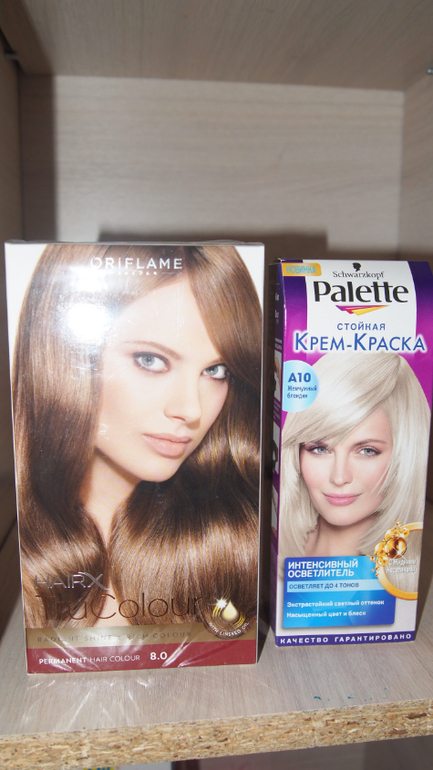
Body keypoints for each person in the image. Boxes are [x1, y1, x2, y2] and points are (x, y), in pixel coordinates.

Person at [13, 243, 262, 633]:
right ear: (65, 354)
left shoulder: (234, 540)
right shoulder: (21, 551)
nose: (191, 410)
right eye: (151, 360)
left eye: (217, 371)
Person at [279, 352, 430, 566]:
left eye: (367, 451)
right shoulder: (275, 564)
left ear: (404, 455)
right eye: (320, 449)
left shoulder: (403, 578)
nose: (339, 477)